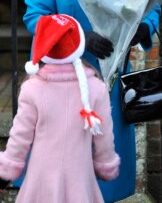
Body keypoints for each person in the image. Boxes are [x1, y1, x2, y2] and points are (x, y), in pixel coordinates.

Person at [22, 0, 160, 202]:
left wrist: (145, 27)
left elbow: (153, 6)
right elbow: (35, 15)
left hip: (109, 84)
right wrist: (77, 37)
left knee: (106, 178)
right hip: (62, 80)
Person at [0, 14, 120, 203]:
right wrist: (106, 165)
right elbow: (104, 138)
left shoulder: (32, 89)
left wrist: (5, 173)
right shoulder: (96, 88)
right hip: (81, 182)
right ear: (78, 45)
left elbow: (20, 137)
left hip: (40, 185)